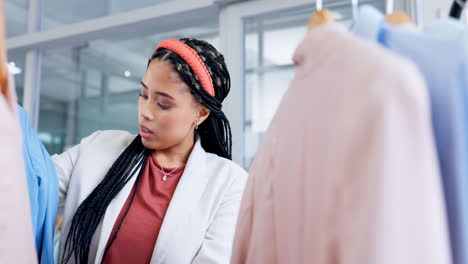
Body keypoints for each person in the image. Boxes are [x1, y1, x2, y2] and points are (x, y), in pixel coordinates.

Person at [53, 37, 247, 264]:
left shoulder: (229, 184)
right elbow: (31, 186)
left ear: (201, 113)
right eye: (143, 95)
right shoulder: (97, 147)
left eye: (163, 104)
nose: (146, 111)